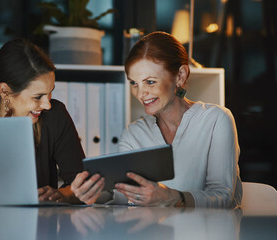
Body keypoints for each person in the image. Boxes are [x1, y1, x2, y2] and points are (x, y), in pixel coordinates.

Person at [71, 31, 242, 208]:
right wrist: (93, 192)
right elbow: (123, 200)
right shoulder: (134, 134)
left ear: (180, 76)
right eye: (133, 83)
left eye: (150, 82)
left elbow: (224, 197)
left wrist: (176, 198)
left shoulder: (216, 120)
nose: (140, 93)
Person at [0, 38, 84, 203]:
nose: (47, 104)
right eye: (37, 96)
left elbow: (81, 182)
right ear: (5, 91)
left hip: (39, 225)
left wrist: (63, 194)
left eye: (50, 92)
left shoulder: (55, 115)